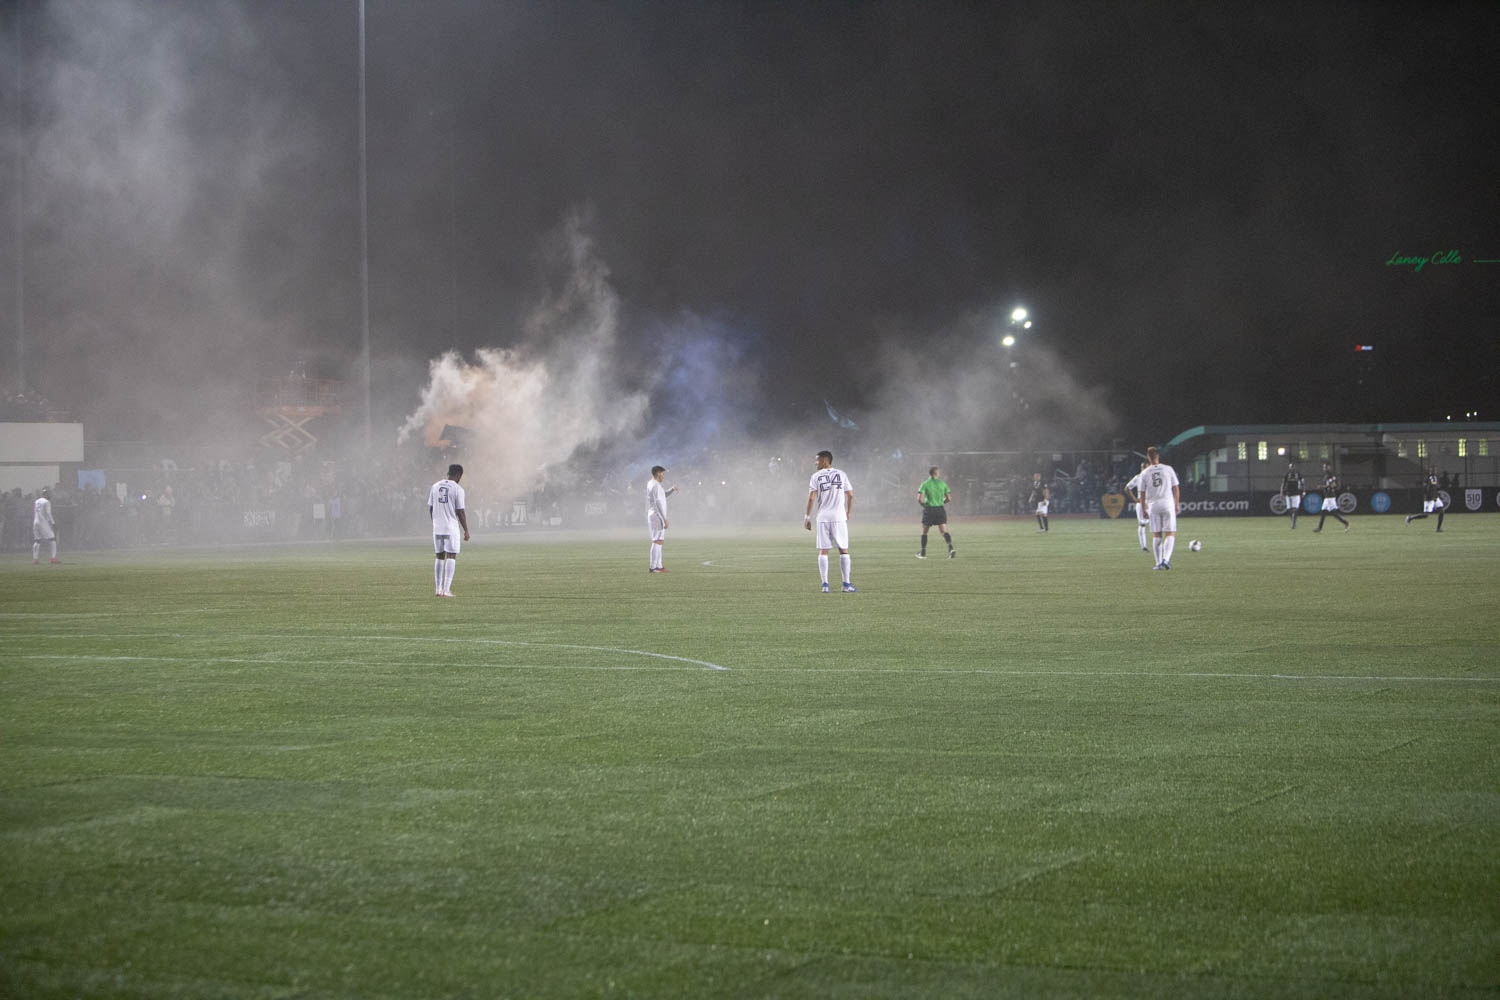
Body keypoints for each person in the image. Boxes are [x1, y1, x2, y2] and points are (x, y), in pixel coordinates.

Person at [804, 450, 856, 592]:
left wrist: (807, 517)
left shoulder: (815, 476)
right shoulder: (842, 474)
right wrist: (848, 511)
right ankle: (846, 584)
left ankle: (825, 585)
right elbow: (851, 495)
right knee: (843, 550)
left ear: (825, 461)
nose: (816, 463)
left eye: (818, 460)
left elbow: (811, 498)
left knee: (823, 551)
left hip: (823, 517)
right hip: (839, 517)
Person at [427, 464, 469, 597]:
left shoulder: (435, 486)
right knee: (451, 555)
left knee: (439, 556)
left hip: (437, 527)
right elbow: (460, 511)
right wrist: (466, 530)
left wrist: (435, 522)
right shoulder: (457, 489)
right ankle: (446, 590)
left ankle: (438, 590)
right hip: (451, 527)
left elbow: (431, 508)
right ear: (458, 475)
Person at [1139, 446, 1181, 569]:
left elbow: (1142, 493)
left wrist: (1143, 509)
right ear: (1158, 456)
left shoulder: (1144, 472)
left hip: (1153, 505)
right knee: (1170, 533)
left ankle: (1158, 564)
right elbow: (1176, 488)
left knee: (1157, 534)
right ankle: (1166, 560)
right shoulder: (1168, 469)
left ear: (1148, 457)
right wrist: (1176, 504)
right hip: (1167, 504)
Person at [645, 465, 680, 572]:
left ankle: (658, 566)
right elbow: (657, 502)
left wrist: (672, 490)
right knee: (656, 541)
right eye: (662, 473)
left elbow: (662, 496)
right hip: (656, 515)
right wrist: (664, 518)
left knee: (659, 541)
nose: (663, 476)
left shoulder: (653, 484)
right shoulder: (655, 485)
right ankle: (653, 567)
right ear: (658, 473)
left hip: (656, 515)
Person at [916, 466, 956, 559]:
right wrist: (942, 502)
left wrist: (924, 505)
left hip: (929, 509)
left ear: (930, 474)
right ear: (936, 473)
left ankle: (923, 552)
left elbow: (919, 499)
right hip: (940, 509)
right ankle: (951, 548)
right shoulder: (943, 483)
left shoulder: (925, 484)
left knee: (924, 532)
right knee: (943, 531)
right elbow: (949, 499)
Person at [1405, 466, 1445, 532]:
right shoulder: (1427, 479)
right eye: (1434, 470)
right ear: (1431, 471)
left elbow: (1434, 488)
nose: (1435, 471)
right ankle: (1410, 518)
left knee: (1442, 511)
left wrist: (1436, 495)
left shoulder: (1435, 478)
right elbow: (1426, 489)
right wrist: (1429, 497)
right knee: (1425, 515)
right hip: (1429, 498)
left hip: (1435, 497)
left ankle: (1438, 529)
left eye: (1435, 470)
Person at [1123, 461, 1151, 556]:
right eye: (1142, 467)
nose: (1143, 469)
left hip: (1152, 503)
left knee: (1157, 523)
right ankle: (1144, 546)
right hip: (1141, 503)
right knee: (1142, 524)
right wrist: (1135, 499)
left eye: (1145, 467)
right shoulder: (1138, 478)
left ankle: (1159, 545)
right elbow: (1127, 488)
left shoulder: (1153, 477)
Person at [1313, 463, 1350, 533]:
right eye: (1323, 467)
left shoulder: (1331, 476)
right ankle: (1319, 528)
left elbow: (1333, 485)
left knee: (1333, 513)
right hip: (1327, 497)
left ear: (1329, 467)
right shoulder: (1326, 476)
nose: (1324, 469)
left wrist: (1321, 486)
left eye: (1325, 467)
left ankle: (1346, 523)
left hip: (1330, 497)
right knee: (1324, 512)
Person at [33, 487, 59, 564]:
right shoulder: (47, 502)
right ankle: (53, 558)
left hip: (35, 521)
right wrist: (53, 522)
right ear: (46, 494)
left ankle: (35, 559)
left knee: (37, 540)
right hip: (43, 522)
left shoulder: (37, 501)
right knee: (52, 539)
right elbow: (48, 513)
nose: (50, 495)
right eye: (48, 494)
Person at [1280, 461, 1305, 529]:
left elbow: (1302, 483)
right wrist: (1281, 492)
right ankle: (1293, 521)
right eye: (1290, 467)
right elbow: (1283, 483)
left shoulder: (1298, 474)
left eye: (1292, 467)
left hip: (1296, 494)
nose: (1291, 468)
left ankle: (1294, 523)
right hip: (1288, 494)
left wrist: (1303, 491)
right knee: (1289, 510)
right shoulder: (1287, 474)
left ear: (1294, 467)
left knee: (1295, 509)